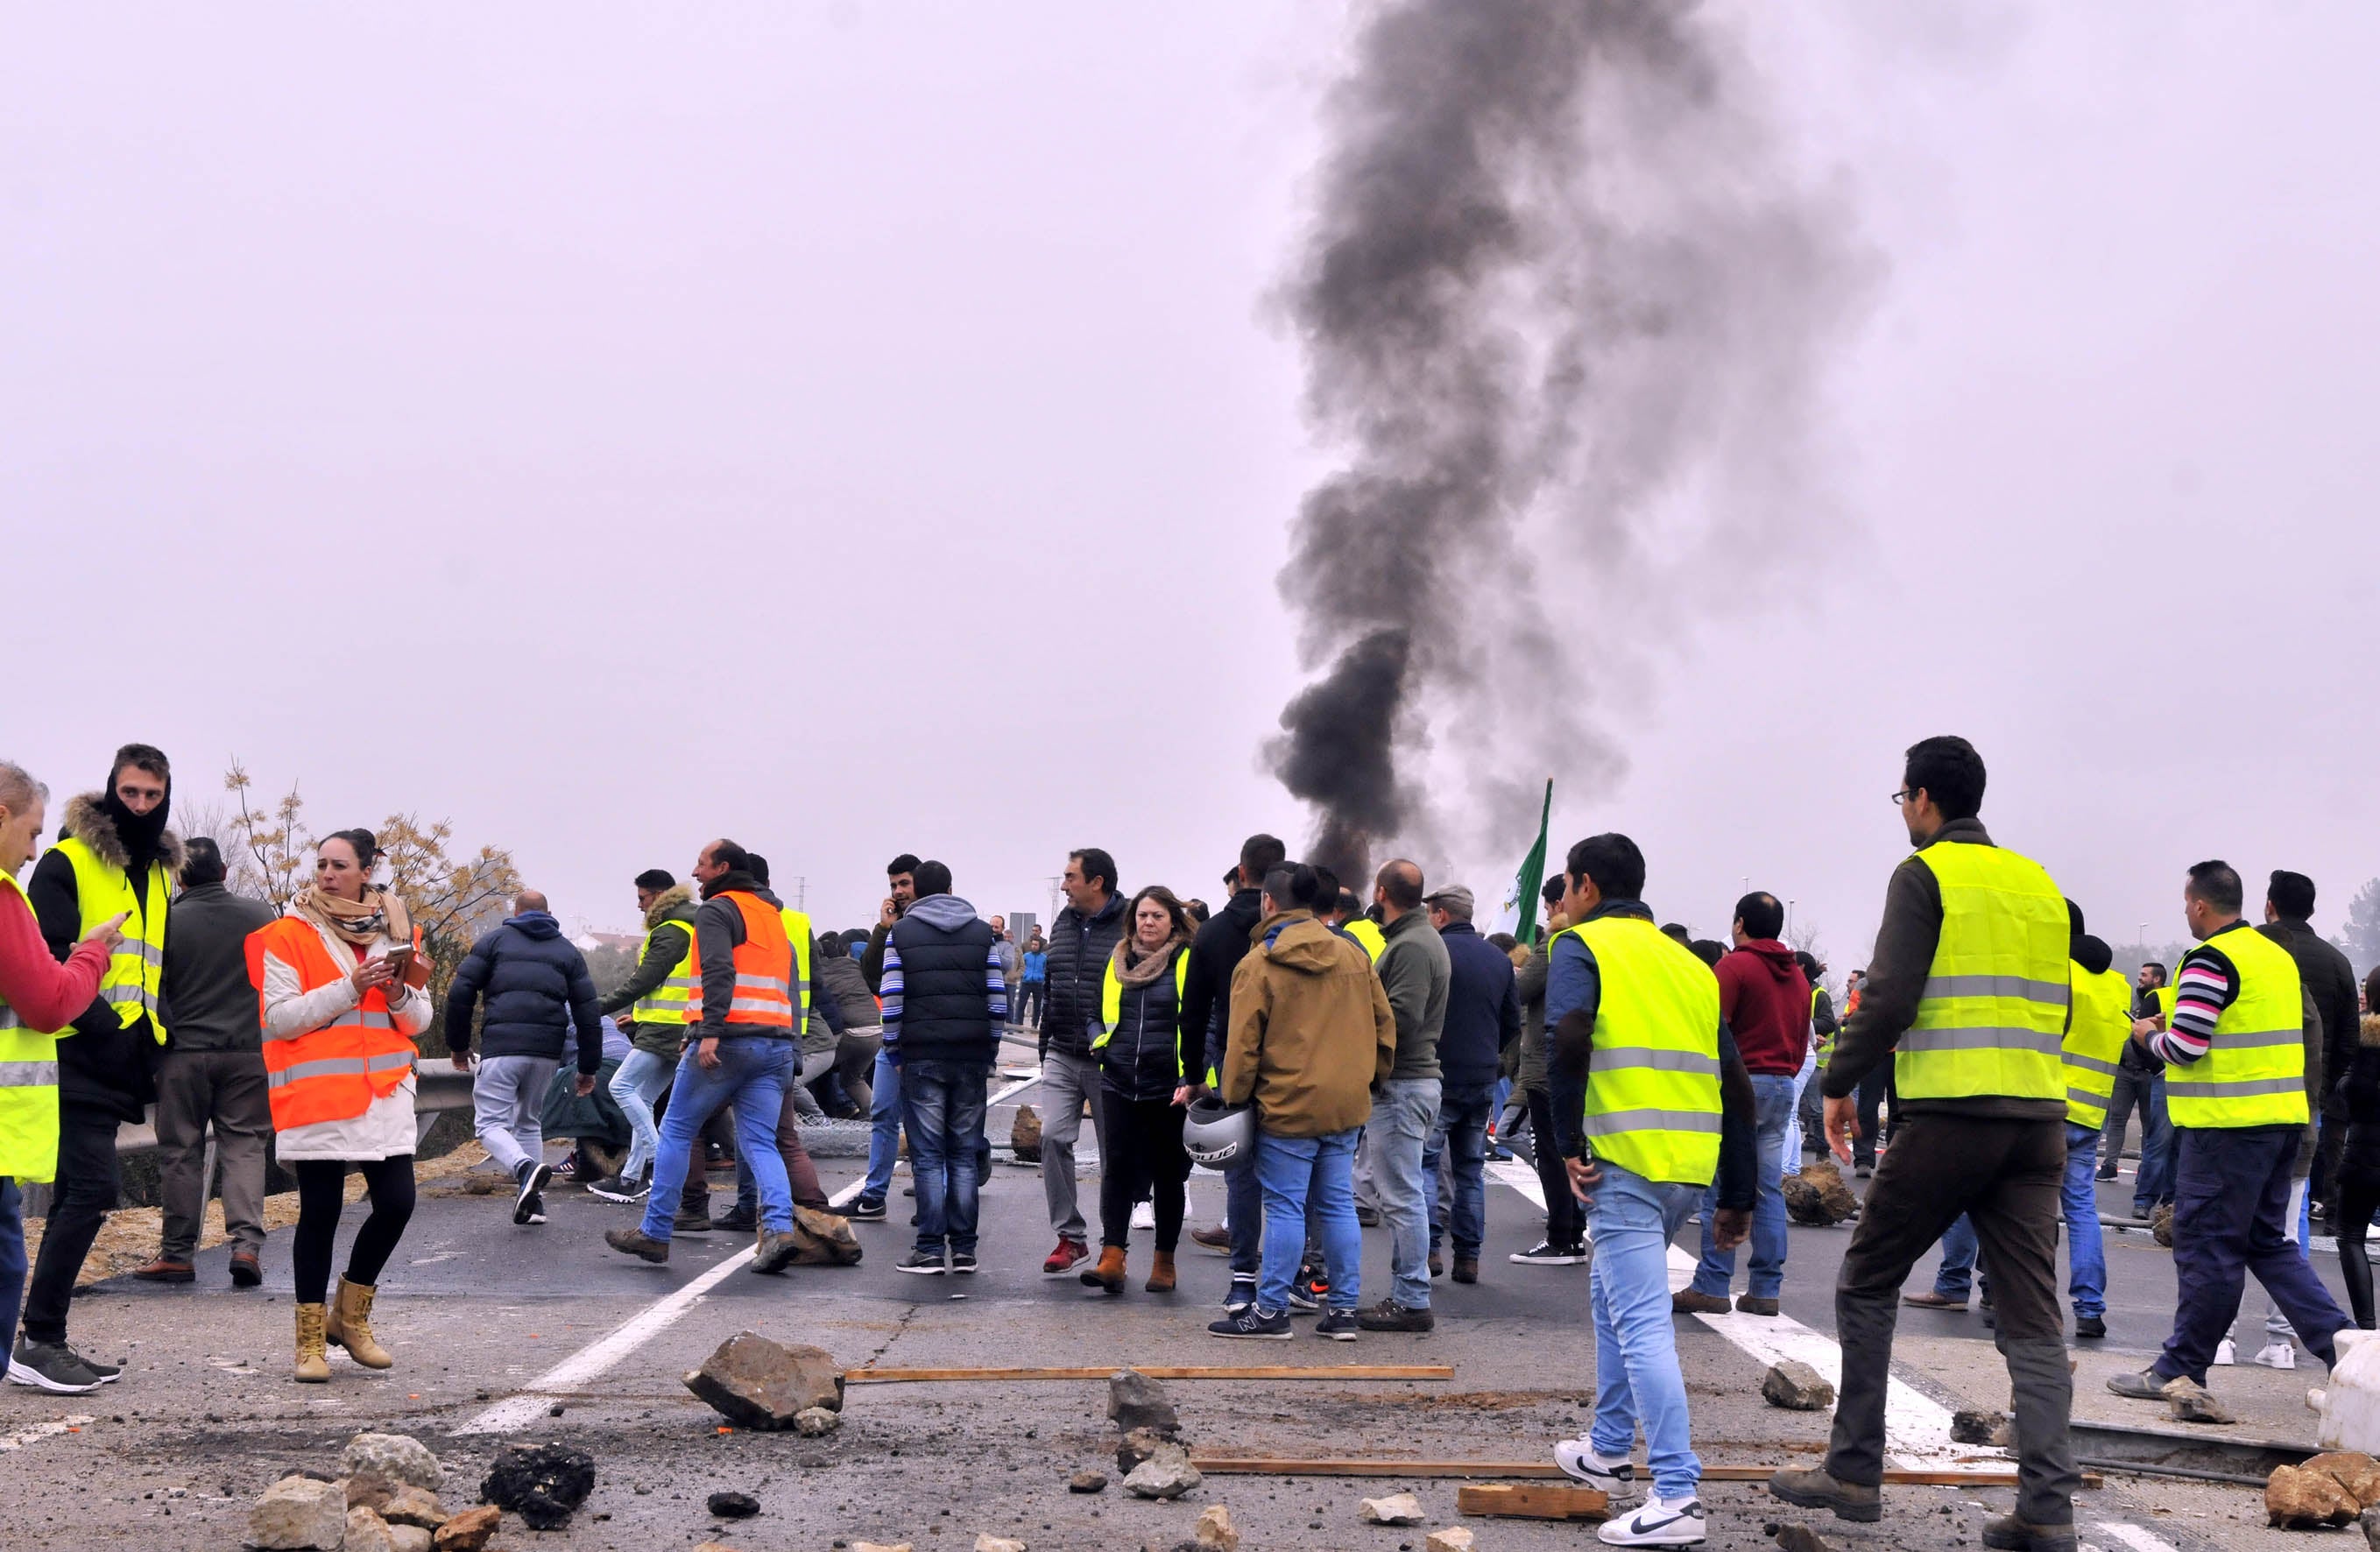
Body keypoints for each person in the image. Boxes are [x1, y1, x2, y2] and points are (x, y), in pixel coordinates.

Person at [1771, 737, 2080, 1552]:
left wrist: (1837, 1080)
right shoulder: (2038, 882)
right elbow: (2060, 1010)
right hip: (2037, 1121)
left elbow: (1891, 995)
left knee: (1868, 1279)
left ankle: (1851, 1472)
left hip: (1949, 1117)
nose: (1902, 810)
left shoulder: (1924, 873)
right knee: (2030, 1316)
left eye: (1900, 798)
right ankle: (2048, 1511)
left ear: (1921, 801)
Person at [1545, 833, 1757, 1548]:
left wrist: (1568, 1143)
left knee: (1639, 1323)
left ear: (1584, 888)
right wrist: (1737, 1191)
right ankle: (1607, 1450)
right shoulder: (1693, 965)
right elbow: (1733, 1082)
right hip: (1685, 1167)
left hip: (1621, 1160)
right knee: (1611, 1301)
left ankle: (1675, 1493)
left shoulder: (1583, 946)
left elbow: (1569, 1036)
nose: (1564, 904)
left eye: (1566, 891)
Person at [2105, 860, 2349, 1402]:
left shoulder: (2209, 959)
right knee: (2270, 1245)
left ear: (2198, 904)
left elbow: (2187, 1047)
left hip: (2225, 1132)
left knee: (2206, 1247)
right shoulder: (2274, 957)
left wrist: (2147, 1035)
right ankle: (2346, 1351)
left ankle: (2180, 1369)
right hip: (2283, 1123)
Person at [19, 744, 179, 1393]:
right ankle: (39, 1341)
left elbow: (154, 964)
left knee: (78, 1195)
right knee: (91, 1190)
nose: (139, 806)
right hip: (70, 1049)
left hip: (123, 1062)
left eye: (152, 796)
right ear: (111, 790)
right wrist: (106, 1028)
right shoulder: (65, 861)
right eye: (130, 793)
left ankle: (40, 1337)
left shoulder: (162, 874)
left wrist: (155, 1040)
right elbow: (47, 959)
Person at [251, 829, 432, 1383]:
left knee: (398, 1204)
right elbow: (279, 1018)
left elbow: (421, 1021)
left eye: (339, 865)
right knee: (320, 1212)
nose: (327, 874)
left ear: (367, 870)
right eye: (322, 864)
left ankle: (349, 1319)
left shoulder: (400, 931)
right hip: (319, 1093)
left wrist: (398, 992)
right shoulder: (287, 933)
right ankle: (309, 1343)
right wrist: (352, 987)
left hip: (383, 1093)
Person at [1208, 863, 1395, 1341]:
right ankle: (1344, 1312)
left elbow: (1243, 1045)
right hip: (1344, 1105)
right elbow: (1384, 1027)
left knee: (1286, 1206)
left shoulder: (1258, 963)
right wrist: (1368, 1082)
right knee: (1337, 1206)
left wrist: (1235, 1098)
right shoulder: (1353, 956)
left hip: (1286, 1105)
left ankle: (1271, 1311)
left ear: (1268, 901)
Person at [604, 838, 807, 1273]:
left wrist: (708, 1032)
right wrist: (791, 1046)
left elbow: (719, 970)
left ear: (722, 868)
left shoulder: (717, 910)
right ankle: (778, 1231)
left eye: (701, 864)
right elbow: (786, 983)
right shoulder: (770, 917)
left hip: (727, 1040)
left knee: (676, 1128)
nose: (694, 873)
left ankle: (655, 1233)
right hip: (773, 1044)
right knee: (759, 1142)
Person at [0, 760, 119, 1394]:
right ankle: (37, 1344)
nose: (34, 848)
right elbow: (47, 1004)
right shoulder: (2, 896)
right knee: (4, 1262)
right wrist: (92, 953)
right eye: (31, 830)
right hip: (7, 1125)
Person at [135, 836, 277, 1287]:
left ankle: (177, 1255)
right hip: (248, 1052)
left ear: (180, 876)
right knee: (245, 1146)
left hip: (183, 1055)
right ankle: (246, 1247)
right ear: (223, 873)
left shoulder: (166, 921)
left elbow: (151, 987)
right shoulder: (261, 917)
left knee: (181, 1152)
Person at [1677, 892, 1807, 1319]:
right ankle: (1765, 1290)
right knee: (1768, 1188)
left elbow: (1711, 1029)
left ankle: (1713, 1284)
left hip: (1742, 1084)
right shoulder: (1799, 978)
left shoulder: (1734, 966)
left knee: (1724, 1181)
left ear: (1739, 924)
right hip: (1782, 1085)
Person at [444, 889, 603, 1226]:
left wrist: (458, 1045)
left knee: (489, 1125)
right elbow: (589, 1013)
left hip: (503, 1048)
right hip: (546, 1054)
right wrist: (588, 1067)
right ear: (548, 912)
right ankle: (534, 1204)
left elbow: (460, 993)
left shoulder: (494, 942)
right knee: (529, 1121)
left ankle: (524, 1167)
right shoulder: (567, 951)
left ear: (515, 912)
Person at [880, 860, 1005, 1275]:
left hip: (921, 1054)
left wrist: (894, 1049)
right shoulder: (981, 932)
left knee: (929, 1157)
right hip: (970, 1054)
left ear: (919, 890)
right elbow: (997, 997)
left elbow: (893, 997)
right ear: (950, 889)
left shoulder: (902, 932)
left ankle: (930, 1248)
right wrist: (990, 1048)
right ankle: (966, 1250)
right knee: (964, 1154)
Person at [1179, 833, 1286, 1303]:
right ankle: (1300, 1278)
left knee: (1240, 1172)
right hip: (1292, 1063)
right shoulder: (1304, 935)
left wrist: (1192, 1072)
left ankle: (1242, 1277)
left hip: (1231, 1060)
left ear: (1241, 874)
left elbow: (1194, 1008)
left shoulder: (1216, 931)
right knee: (1291, 1173)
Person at [1083, 885, 1196, 1295]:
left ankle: (1164, 1261)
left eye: (1157, 917)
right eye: (1143, 916)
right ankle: (1112, 1255)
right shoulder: (1117, 961)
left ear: (1173, 922)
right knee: (1117, 1170)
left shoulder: (1186, 961)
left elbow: (1207, 1020)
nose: (1148, 923)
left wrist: (1195, 1077)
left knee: (1168, 1175)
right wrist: (1100, 1045)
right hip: (1118, 1080)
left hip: (1170, 1087)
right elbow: (1093, 1012)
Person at [1358, 858, 1451, 1333]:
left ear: (1381, 892)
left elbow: (1402, 1016)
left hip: (1402, 1083)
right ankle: (1406, 1292)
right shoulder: (1415, 939)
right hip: (1409, 1082)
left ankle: (1412, 1299)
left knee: (1401, 1196)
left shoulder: (1412, 945)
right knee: (1404, 1192)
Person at [1035, 847, 1126, 1278]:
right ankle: (1071, 1237)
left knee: (1116, 1155)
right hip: (1061, 1051)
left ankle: (1114, 1245)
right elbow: (1053, 985)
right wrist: (1043, 1044)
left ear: (1097, 883)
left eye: (1071, 877)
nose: (1064, 883)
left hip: (1107, 1058)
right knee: (1052, 1137)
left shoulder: (1129, 925)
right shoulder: (1064, 922)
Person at [1423, 885, 1517, 1286]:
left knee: (1426, 1164)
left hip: (1438, 1075)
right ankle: (1468, 1258)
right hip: (1482, 1076)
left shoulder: (1433, 953)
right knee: (1470, 1170)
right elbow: (1513, 1021)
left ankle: (1428, 1249)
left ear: (1441, 915)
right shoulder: (1498, 958)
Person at [590, 869, 698, 1202]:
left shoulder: (671, 931)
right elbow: (667, 985)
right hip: (675, 1025)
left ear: (659, 895)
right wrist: (636, 1017)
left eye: (642, 898)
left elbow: (644, 981)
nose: (639, 906)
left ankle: (658, 1160)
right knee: (646, 1098)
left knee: (620, 1086)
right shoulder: (688, 926)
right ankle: (630, 1179)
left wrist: (594, 1006)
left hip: (665, 1029)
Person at [2263, 872, 2361, 1225]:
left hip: (2251, 1091)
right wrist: (2325, 1082)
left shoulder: (2251, 949)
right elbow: (2350, 1035)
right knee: (2295, 1193)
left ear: (2270, 905)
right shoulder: (2337, 962)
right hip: (2310, 1092)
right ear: (2312, 910)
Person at [1508, 878, 1585, 1267]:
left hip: (1545, 1063)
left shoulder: (1555, 943)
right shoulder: (1595, 941)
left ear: (1558, 904)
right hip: (1587, 1065)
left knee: (1552, 1154)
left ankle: (1560, 1237)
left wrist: (1514, 968)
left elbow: (1520, 991)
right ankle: (1574, 1231)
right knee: (1578, 1149)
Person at [851, 852, 921, 1221]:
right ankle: (874, 1195)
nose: (898, 892)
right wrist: (882, 929)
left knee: (926, 1119)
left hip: (925, 1040)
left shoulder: (934, 924)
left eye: (904, 883)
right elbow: (871, 976)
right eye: (893, 885)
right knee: (882, 1114)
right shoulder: (893, 927)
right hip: (892, 1038)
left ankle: (933, 1192)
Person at [2098, 961, 2172, 1211]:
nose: (2139, 978)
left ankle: (2146, 1180)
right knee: (2119, 1120)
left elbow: (2148, 1036)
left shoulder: (2160, 998)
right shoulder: (2138, 999)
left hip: (2151, 1073)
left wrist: (2156, 1067)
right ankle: (2110, 1165)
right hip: (2127, 1071)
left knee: (2152, 1128)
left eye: (2144, 975)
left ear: (2158, 979)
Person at [2333, 1009, 2380, 1329]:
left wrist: (2345, 1080)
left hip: (2367, 1150)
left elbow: (2357, 1091)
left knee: (2351, 1235)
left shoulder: (2371, 1035)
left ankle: (2367, 1327)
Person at [1784, 952, 1835, 1162]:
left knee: (1814, 1106)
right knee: (1799, 1110)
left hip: (1814, 1059)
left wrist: (1806, 1024)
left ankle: (1823, 1148)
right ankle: (1810, 1147)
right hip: (1803, 1054)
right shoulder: (1795, 989)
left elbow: (1829, 1022)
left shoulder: (1818, 994)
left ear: (1802, 967)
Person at [991, 916, 1022, 1033]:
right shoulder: (982, 942)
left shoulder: (1008, 947)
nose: (993, 929)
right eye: (991, 926)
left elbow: (1009, 964)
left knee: (1007, 1006)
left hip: (1005, 982)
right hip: (984, 983)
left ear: (1002, 928)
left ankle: (1008, 1028)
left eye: (996, 927)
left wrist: (993, 952)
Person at [1018, 932, 1048, 1033]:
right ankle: (1019, 1025)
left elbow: (1046, 970)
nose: (1034, 946)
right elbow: (1021, 967)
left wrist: (1042, 978)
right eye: (1033, 944)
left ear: (1039, 946)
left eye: (1036, 945)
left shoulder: (1044, 958)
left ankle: (1034, 1025)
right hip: (1026, 982)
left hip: (1038, 983)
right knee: (1021, 1004)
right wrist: (1023, 975)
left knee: (1037, 1005)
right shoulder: (1026, 956)